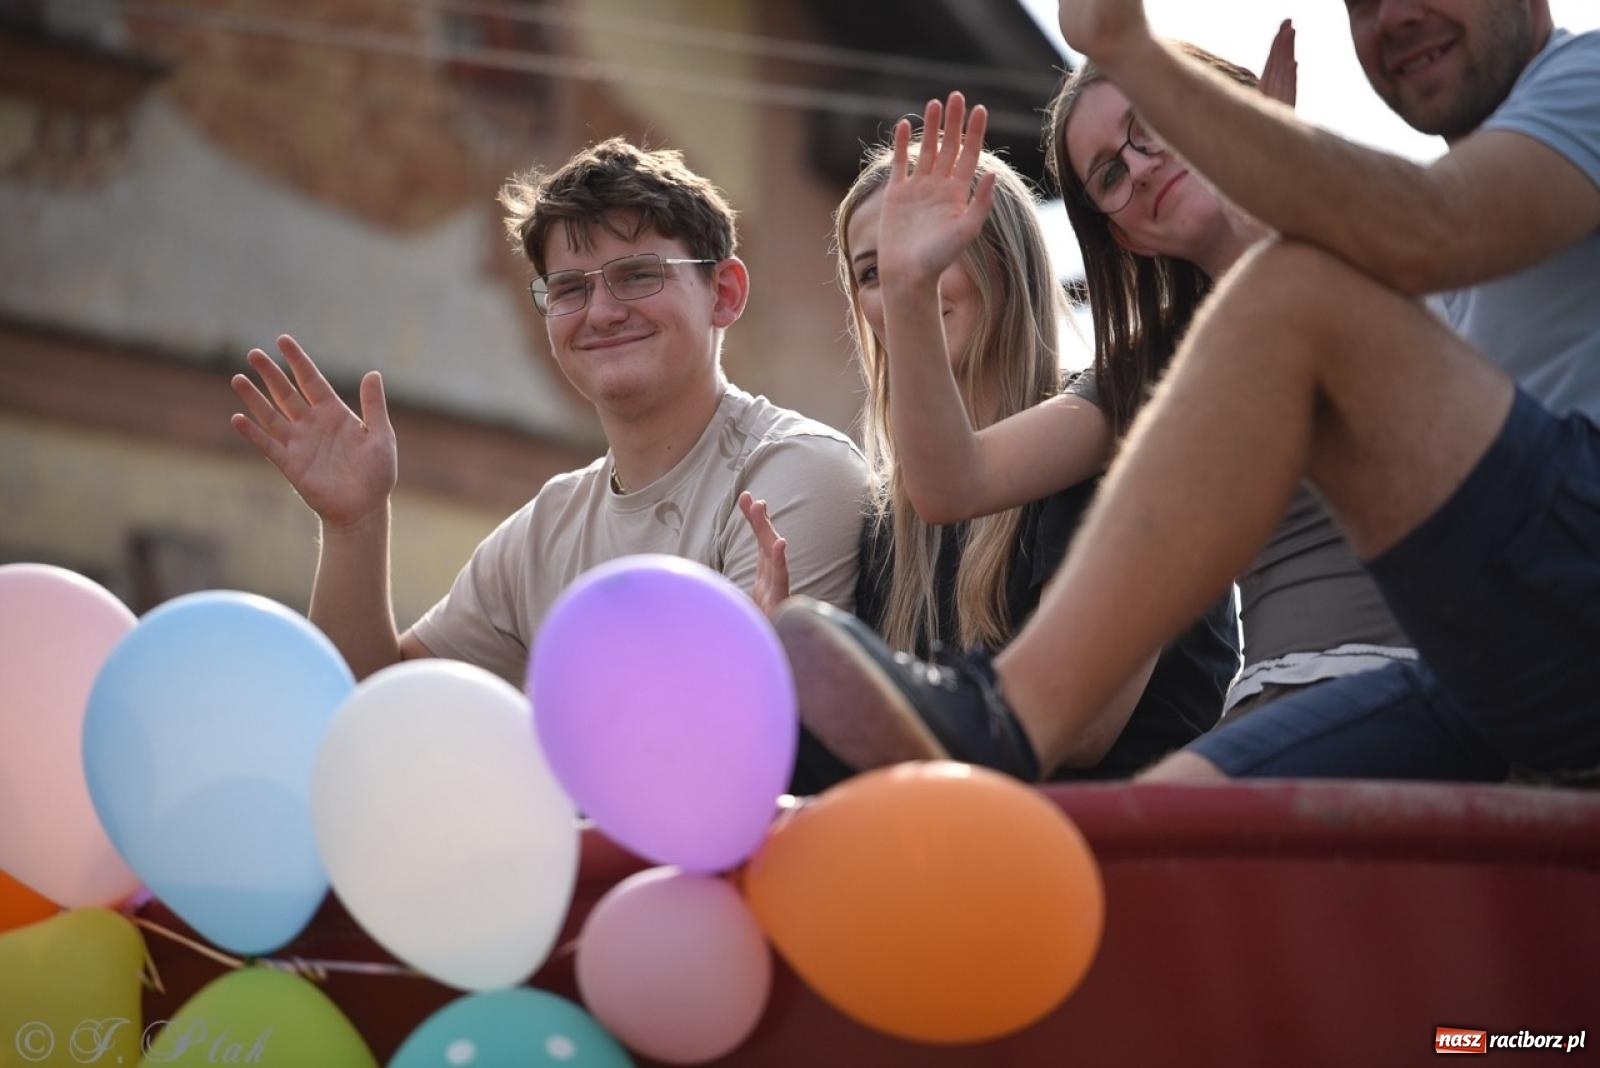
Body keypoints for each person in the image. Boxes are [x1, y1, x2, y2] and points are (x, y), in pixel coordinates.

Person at [783, 0, 1600, 785]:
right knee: (1163, 832)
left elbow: (1423, 234)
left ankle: (1009, 716)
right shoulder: (1161, 370)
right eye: (1109, 174)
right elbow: (950, 481)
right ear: (1124, 235)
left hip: (1422, 659)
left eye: (1151, 127)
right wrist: (909, 285)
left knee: (1292, 284)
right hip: (1303, 693)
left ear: (1213, 106)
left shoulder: (1381, 258)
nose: (1140, 167)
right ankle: (1001, 717)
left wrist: (1280, 168)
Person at [230, 138, 868, 686]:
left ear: (723, 294)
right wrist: (354, 524)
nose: (602, 311)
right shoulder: (544, 532)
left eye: (639, 274)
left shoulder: (793, 474)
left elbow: (752, 745)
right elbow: (380, 702)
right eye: (570, 288)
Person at [751, 119, 1240, 788]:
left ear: (1003, 257)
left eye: (926, 249)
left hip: (1127, 853)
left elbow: (1084, 728)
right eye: (874, 273)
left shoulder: (1105, 433)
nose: (901, 283)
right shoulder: (888, 522)